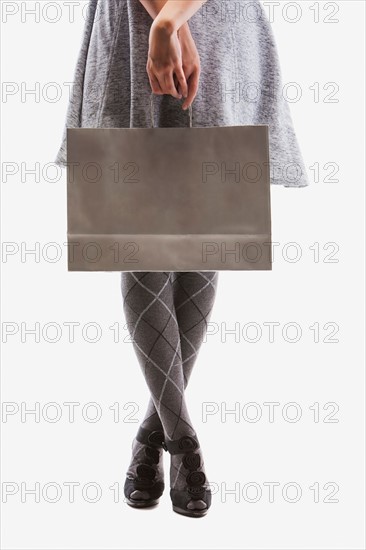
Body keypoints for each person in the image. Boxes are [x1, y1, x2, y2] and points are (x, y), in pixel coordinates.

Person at [54, 0, 310, 518]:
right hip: (133, 21)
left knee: (204, 222)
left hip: (218, 22)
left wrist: (174, 19)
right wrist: (166, 20)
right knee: (141, 230)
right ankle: (184, 441)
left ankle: (156, 436)